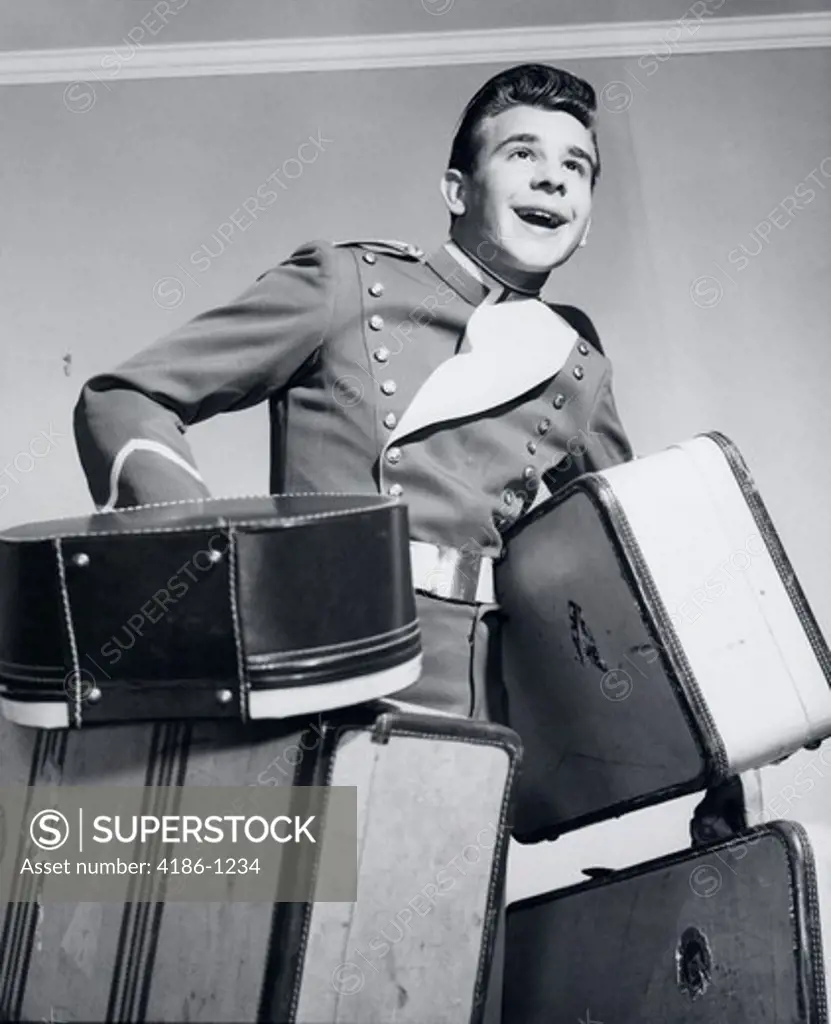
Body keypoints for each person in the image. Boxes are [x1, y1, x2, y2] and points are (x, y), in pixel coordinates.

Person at [74, 62, 633, 722]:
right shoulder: (345, 283)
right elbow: (122, 398)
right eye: (521, 153)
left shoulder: (577, 363)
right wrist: (202, 565)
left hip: (468, 697)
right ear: (457, 190)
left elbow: (631, 558)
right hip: (315, 658)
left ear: (586, 220)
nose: (551, 176)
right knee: (317, 829)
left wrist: (721, 763)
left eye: (575, 166)